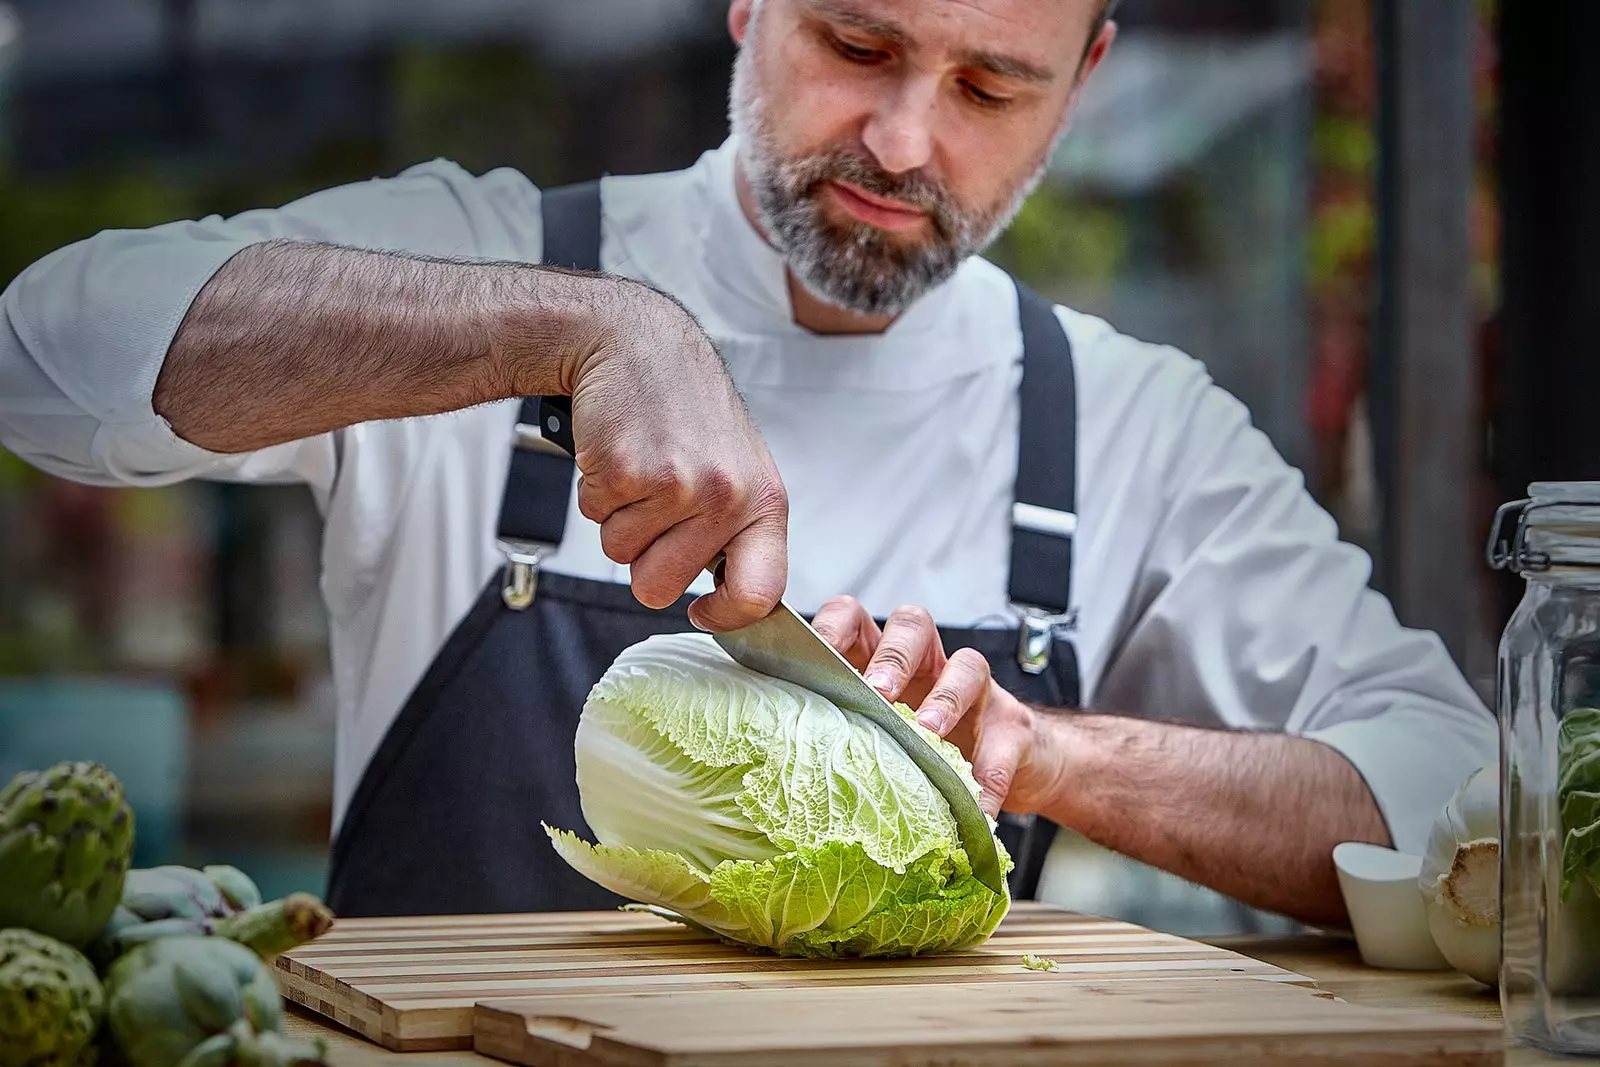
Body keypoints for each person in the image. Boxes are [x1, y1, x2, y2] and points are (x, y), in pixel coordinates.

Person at [0, 0, 1494, 932]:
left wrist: (1047, 756)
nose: (906, 141)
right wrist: (586, 331)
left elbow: (1459, 808)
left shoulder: (1128, 423)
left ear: (1087, 76)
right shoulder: (498, 256)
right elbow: (43, 355)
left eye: (992, 88)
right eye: (857, 45)